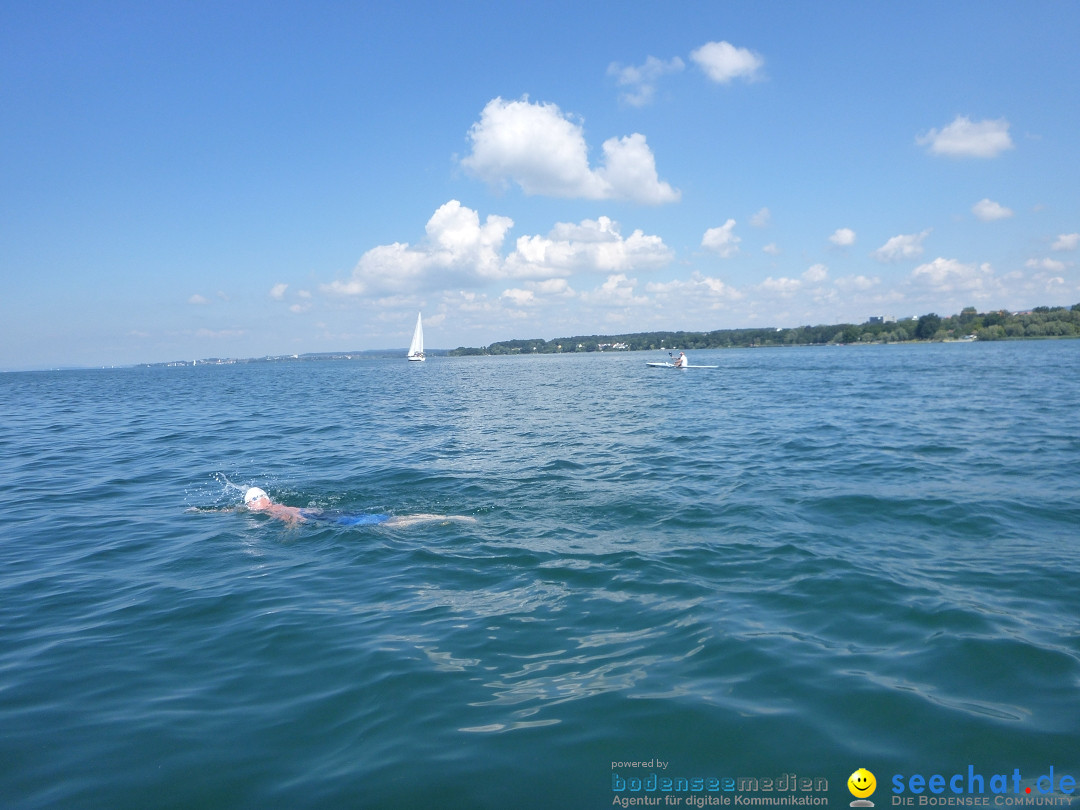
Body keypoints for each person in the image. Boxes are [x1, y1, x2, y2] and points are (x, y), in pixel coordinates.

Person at [242, 487, 474, 527]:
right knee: (384, 518)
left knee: (389, 524)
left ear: (256, 502)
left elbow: (292, 519)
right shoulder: (277, 504)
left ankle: (446, 518)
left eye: (251, 502)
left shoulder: (275, 511)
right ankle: (437, 515)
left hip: (329, 519)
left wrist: (290, 531)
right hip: (328, 514)